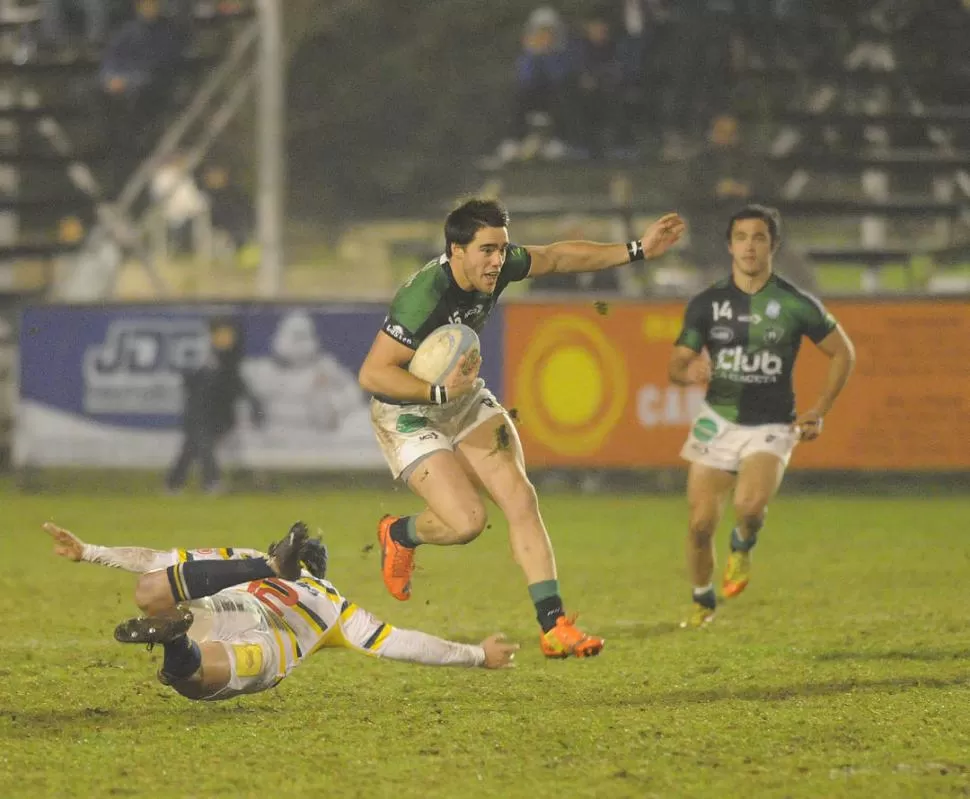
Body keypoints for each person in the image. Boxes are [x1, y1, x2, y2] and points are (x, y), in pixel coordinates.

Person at [358, 197, 685, 658]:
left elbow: (556, 257)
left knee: (519, 495)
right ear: (456, 250)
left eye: (502, 249)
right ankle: (400, 534)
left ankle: (554, 626)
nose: (498, 261)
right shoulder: (424, 295)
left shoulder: (499, 263)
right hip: (408, 411)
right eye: (487, 251)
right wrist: (436, 394)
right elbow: (373, 373)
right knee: (468, 521)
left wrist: (637, 249)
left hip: (463, 396)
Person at [43, 521, 518, 702]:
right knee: (199, 678)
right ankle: (176, 644)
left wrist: (90, 551)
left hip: (237, 614)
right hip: (264, 641)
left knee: (152, 593)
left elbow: (152, 563)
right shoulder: (335, 606)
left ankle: (174, 636)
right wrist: (476, 654)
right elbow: (402, 643)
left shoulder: (244, 559)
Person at [668, 204, 855, 628]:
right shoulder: (707, 303)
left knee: (749, 507)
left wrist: (819, 410)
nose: (749, 246)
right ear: (730, 246)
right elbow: (675, 366)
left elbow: (843, 351)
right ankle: (702, 600)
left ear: (773, 246)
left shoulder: (794, 303)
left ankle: (743, 542)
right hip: (718, 421)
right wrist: (689, 370)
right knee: (699, 523)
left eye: (759, 238)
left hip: (772, 424)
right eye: (741, 238)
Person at [166, 318, 262, 494]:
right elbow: (189, 382)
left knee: (190, 450)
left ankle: (173, 484)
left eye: (227, 336)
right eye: (220, 335)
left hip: (215, 413)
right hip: (198, 412)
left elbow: (238, 385)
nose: (224, 339)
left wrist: (254, 404)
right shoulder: (202, 358)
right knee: (203, 447)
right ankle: (211, 482)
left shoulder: (229, 362)